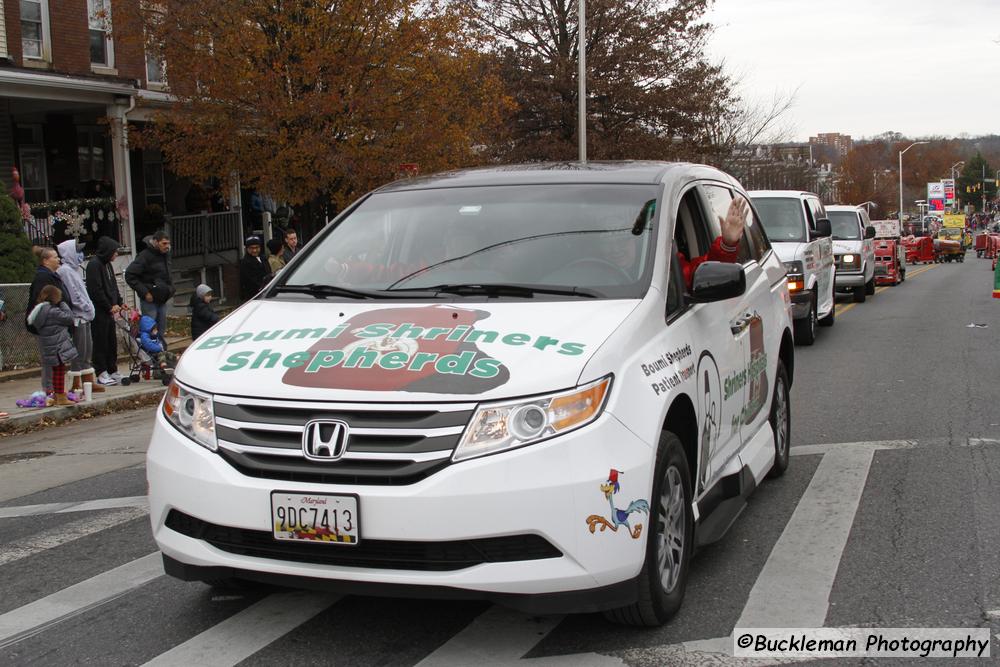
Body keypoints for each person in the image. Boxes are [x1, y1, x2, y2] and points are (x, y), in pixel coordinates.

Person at [56, 240, 104, 394]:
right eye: (77, 251)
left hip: (86, 315)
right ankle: (76, 383)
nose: (81, 255)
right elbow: (74, 294)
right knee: (79, 350)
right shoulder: (65, 271)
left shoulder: (74, 270)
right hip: (78, 316)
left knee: (87, 349)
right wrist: (85, 307)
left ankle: (88, 380)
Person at [27, 247, 74, 393]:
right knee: (50, 359)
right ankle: (50, 389)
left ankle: (56, 390)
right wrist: (57, 311)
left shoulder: (53, 275)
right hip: (49, 324)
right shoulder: (43, 277)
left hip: (56, 322)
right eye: (55, 257)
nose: (58, 259)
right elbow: (42, 300)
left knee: (57, 360)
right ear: (46, 261)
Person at [27, 285, 79, 406]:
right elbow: (69, 318)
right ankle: (61, 396)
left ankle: (56, 395)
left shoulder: (40, 311)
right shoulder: (53, 311)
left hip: (49, 346)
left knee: (56, 370)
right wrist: (63, 304)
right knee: (60, 371)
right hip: (58, 346)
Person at [86, 236, 126, 386]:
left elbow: (113, 286)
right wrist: (109, 305)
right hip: (100, 310)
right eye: (114, 251)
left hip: (110, 310)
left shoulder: (108, 264)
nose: (116, 254)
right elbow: (96, 290)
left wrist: (119, 302)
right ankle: (101, 371)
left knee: (111, 340)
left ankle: (112, 369)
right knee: (100, 341)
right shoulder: (94, 265)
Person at [125, 231, 174, 349]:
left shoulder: (165, 255)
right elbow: (130, 275)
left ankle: (161, 355)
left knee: (160, 331)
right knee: (150, 331)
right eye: (164, 243)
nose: (167, 246)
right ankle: (150, 358)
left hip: (162, 298)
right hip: (150, 300)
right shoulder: (145, 256)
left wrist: (170, 289)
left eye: (168, 243)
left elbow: (166, 275)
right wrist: (145, 292)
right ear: (156, 242)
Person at [239, 236, 271, 301]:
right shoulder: (245, 262)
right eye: (251, 248)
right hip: (254, 295)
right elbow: (252, 280)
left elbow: (269, 271)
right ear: (247, 249)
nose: (254, 250)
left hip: (266, 291)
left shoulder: (263, 258)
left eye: (257, 247)